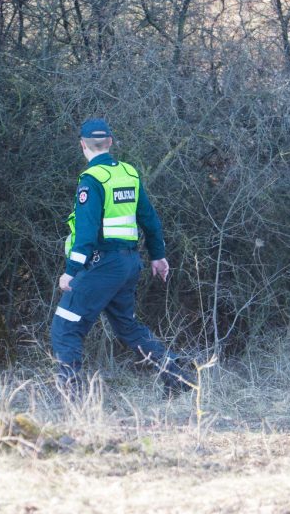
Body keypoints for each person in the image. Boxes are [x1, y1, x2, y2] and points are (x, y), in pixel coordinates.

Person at [51, 118, 194, 395]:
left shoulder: (91, 180)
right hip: (129, 264)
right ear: (110, 143)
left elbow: (86, 233)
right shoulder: (128, 173)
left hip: (102, 265)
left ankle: (71, 396)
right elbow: (149, 219)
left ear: (82, 145)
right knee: (127, 327)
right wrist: (158, 256)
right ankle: (177, 378)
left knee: (65, 326)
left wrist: (71, 271)